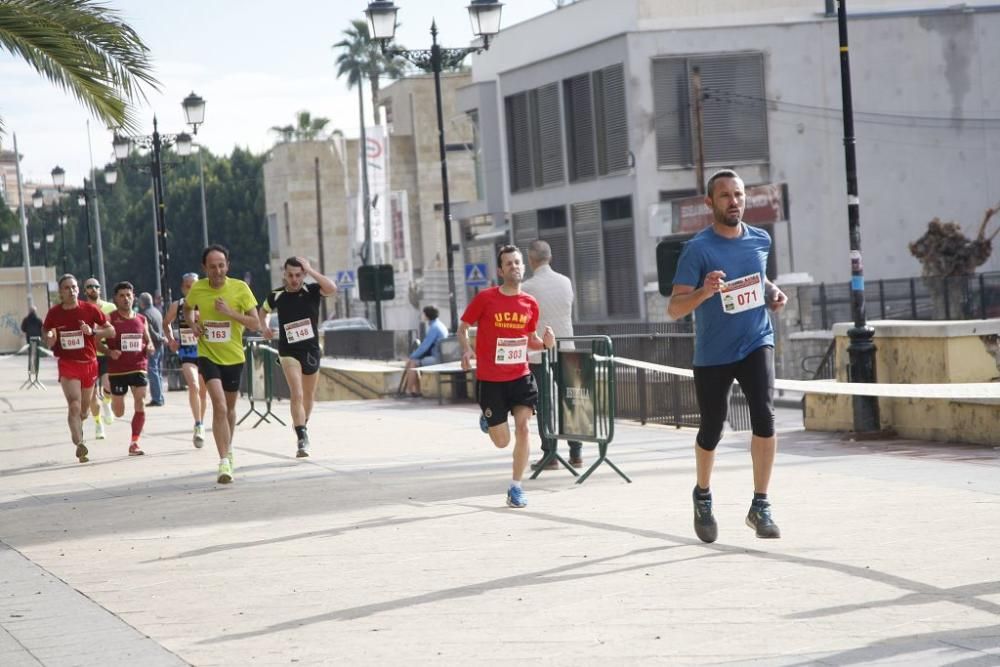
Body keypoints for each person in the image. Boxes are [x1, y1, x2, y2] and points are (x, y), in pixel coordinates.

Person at [668, 169, 788, 543]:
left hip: (756, 339)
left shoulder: (761, 239)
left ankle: (761, 504)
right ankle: (702, 495)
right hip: (714, 351)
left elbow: (756, 278)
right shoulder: (698, 249)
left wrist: (773, 292)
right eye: (725, 196)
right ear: (710, 203)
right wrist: (704, 292)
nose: (734, 201)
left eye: (738, 195)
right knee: (712, 427)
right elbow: (674, 308)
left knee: (765, 417)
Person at [458, 245, 555, 509]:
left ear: (524, 266)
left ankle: (516, 487)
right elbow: (464, 326)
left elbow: (530, 340)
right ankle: (489, 420)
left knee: (523, 428)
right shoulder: (486, 298)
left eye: (518, 262)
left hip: (520, 376)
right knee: (502, 442)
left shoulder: (530, 303)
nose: (514, 266)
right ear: (501, 271)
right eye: (509, 263)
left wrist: (545, 344)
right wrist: (466, 348)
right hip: (491, 380)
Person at [184, 244, 260, 484]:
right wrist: (193, 325)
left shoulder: (240, 288)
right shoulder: (198, 289)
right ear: (204, 268)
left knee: (228, 408)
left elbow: (255, 324)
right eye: (212, 267)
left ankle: (228, 447)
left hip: (234, 357)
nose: (217, 271)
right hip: (207, 355)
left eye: (221, 265)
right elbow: (187, 309)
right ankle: (224, 460)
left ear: (227, 265)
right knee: (218, 404)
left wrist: (230, 313)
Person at [259, 256, 336, 457]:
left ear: (303, 275)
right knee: (297, 393)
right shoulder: (276, 295)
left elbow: (332, 288)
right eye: (290, 275)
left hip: (310, 349)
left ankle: (302, 424)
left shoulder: (311, 291)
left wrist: (310, 270)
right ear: (284, 274)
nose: (294, 279)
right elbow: (263, 311)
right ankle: (302, 438)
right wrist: (264, 326)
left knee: (309, 396)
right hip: (288, 351)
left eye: (298, 275)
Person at [522, 240, 583, 470]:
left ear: (530, 259)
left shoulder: (528, 288)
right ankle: (576, 452)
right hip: (567, 346)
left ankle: (550, 454)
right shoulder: (566, 282)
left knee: (544, 402)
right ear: (550, 257)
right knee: (570, 399)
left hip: (540, 352)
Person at [42, 274, 115, 463]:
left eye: (74, 287)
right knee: (74, 405)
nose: (72, 290)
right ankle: (79, 443)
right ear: (61, 292)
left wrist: (93, 332)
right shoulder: (54, 313)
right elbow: (47, 330)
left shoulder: (90, 309)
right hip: (68, 364)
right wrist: (50, 336)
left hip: (89, 363)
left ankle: (79, 428)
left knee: (84, 411)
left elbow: (111, 330)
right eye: (67, 288)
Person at [99, 282, 155, 456]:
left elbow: (148, 339)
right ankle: (107, 395)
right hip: (118, 370)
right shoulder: (108, 319)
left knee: (141, 402)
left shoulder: (141, 319)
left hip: (139, 367)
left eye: (129, 295)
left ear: (134, 297)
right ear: (115, 298)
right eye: (122, 295)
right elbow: (95, 342)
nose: (126, 299)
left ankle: (134, 442)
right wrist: (109, 351)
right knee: (119, 411)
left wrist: (150, 347)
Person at [164, 273, 208, 447]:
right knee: (194, 386)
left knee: (203, 392)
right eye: (188, 286)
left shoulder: (206, 303)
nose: (192, 289)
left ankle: (201, 424)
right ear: (183, 288)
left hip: (206, 353)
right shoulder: (178, 305)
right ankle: (198, 423)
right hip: (187, 352)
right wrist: (171, 340)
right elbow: (166, 322)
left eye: (195, 285)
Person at [82, 278, 116, 438]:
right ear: (85, 290)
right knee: (92, 394)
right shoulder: (82, 309)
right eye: (89, 287)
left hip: (107, 352)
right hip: (89, 355)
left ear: (100, 289)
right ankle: (98, 423)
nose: (93, 289)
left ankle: (107, 403)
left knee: (109, 384)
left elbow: (117, 329)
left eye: (96, 286)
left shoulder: (110, 307)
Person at [401, 305, 448, 397]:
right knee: (414, 363)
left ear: (427, 315)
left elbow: (424, 346)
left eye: (423, 313)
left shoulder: (434, 328)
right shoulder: (438, 325)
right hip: (440, 356)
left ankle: (409, 391)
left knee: (413, 363)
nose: (421, 315)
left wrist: (411, 357)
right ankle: (416, 391)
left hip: (437, 358)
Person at [138, 292, 166, 407]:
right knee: (158, 372)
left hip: (153, 346)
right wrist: (163, 338)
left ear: (142, 303)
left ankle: (157, 398)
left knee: (153, 372)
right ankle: (160, 397)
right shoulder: (157, 311)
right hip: (160, 346)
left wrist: (160, 338)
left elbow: (150, 332)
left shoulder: (145, 314)